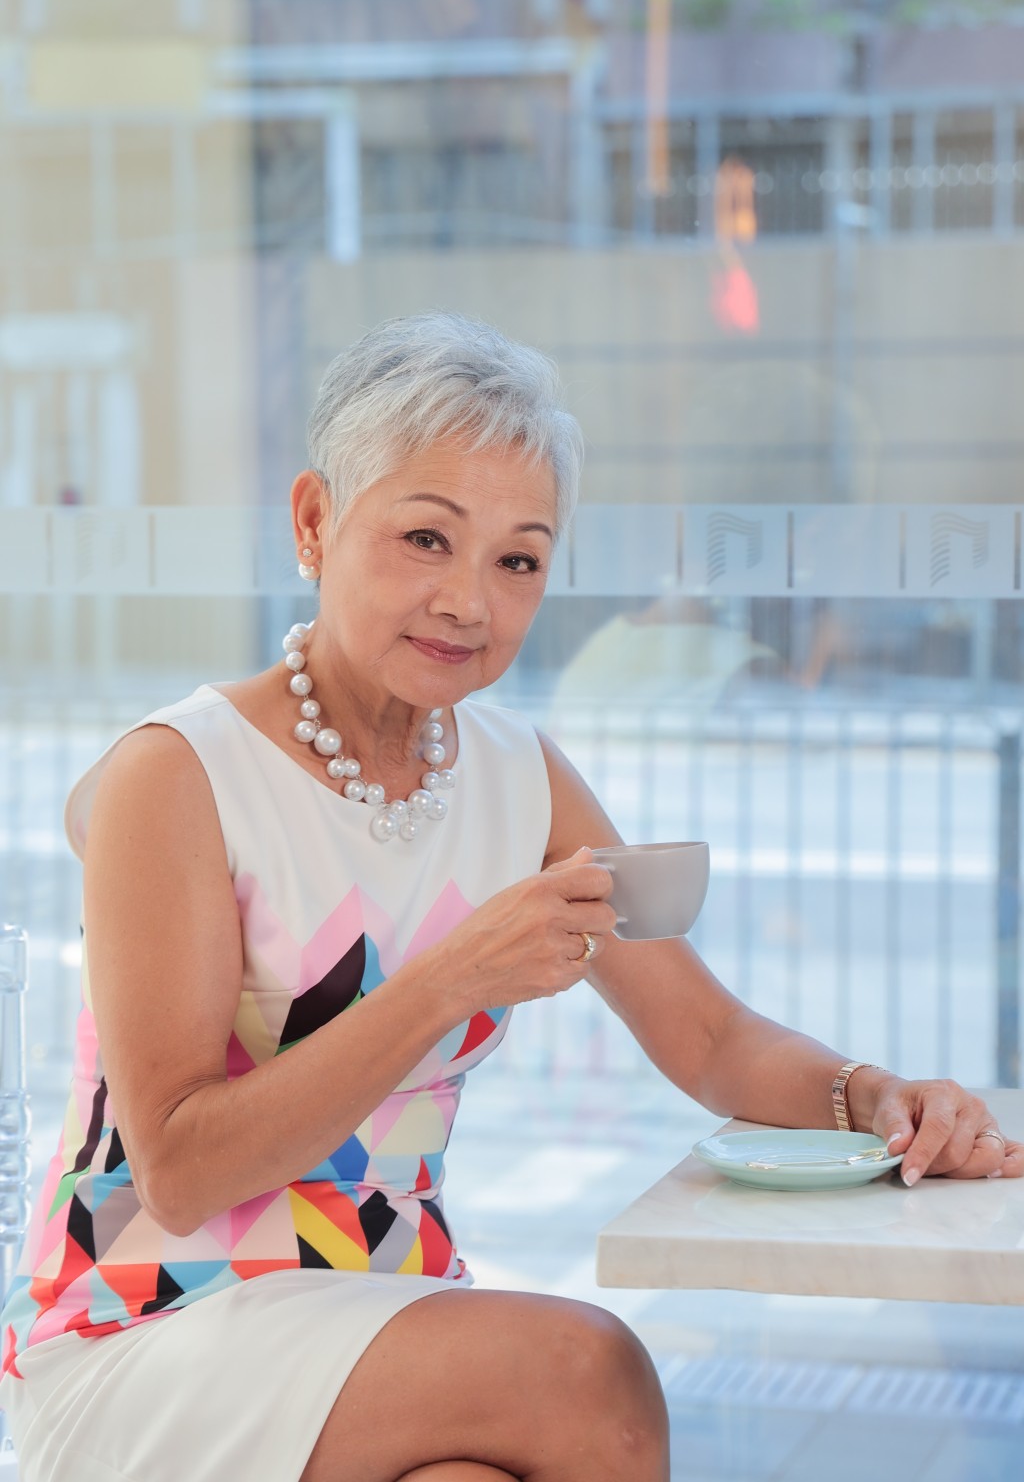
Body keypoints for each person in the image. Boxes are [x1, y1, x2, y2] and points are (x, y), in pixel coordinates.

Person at [1, 311, 1020, 1482]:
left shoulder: (514, 777)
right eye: (425, 538)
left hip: (386, 1318)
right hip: (147, 1323)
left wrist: (875, 1096)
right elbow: (177, 1169)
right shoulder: (177, 775)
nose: (467, 602)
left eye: (517, 559)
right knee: (591, 1376)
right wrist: (453, 977)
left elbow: (711, 1036)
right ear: (315, 522)